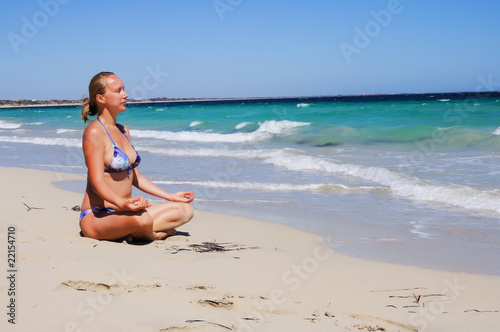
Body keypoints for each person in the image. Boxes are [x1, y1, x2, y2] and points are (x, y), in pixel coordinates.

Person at [79, 72, 194, 242]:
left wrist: (169, 196)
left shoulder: (123, 130)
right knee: (143, 219)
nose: (125, 94)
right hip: (98, 216)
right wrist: (121, 203)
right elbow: (97, 183)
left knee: (185, 210)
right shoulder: (94, 132)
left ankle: (136, 231)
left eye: (124, 90)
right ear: (101, 98)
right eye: (118, 91)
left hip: (126, 211)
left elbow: (137, 177)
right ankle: (152, 234)